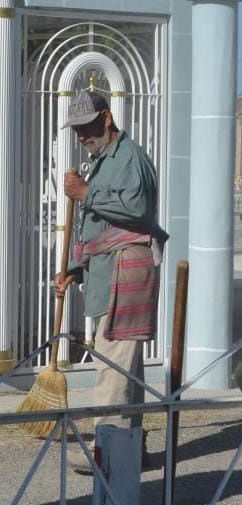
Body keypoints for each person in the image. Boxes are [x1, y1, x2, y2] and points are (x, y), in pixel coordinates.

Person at [53, 90, 168, 472]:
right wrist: (75, 267)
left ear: (106, 117)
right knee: (125, 368)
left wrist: (86, 193)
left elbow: (136, 211)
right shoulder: (101, 161)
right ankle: (129, 450)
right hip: (111, 269)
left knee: (113, 366)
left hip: (127, 270)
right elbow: (101, 227)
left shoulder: (130, 158)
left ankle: (109, 452)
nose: (81, 135)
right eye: (77, 129)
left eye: (87, 126)